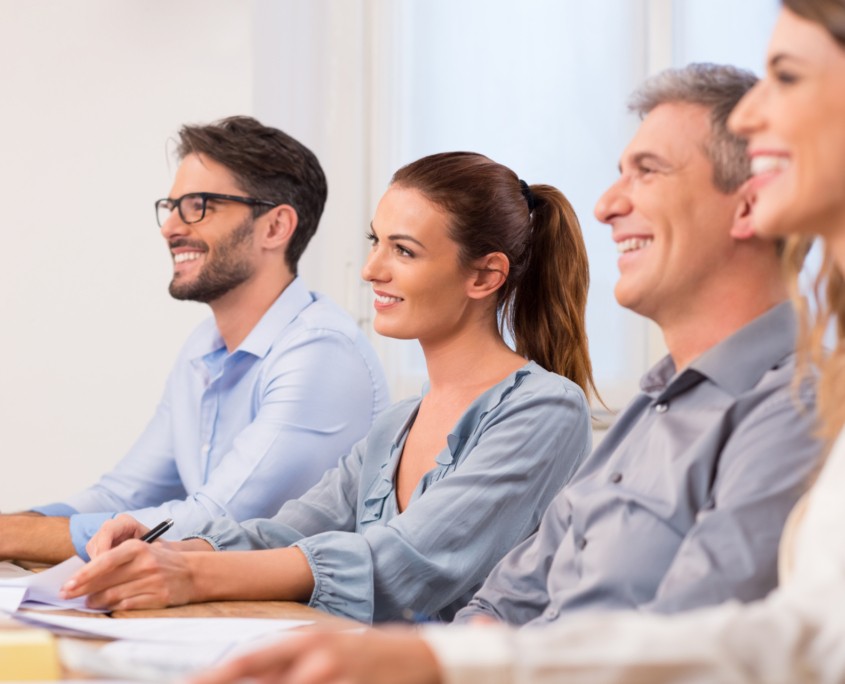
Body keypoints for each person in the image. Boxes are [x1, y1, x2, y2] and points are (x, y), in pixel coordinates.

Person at [190, 4, 845, 683]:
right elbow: (505, 602)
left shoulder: (794, 403)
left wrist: (437, 659)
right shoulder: (651, 410)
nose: (604, 205)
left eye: (647, 170)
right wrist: (181, 552)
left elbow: (708, 644)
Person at [60, 151, 596, 624]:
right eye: (375, 242)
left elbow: (402, 564)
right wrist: (172, 547)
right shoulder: (397, 424)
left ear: (484, 276)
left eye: (404, 251)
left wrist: (190, 574)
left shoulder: (547, 409)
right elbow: (287, 532)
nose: (371, 270)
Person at [0, 116, 390, 564]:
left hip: (304, 607)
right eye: (171, 206)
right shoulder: (203, 347)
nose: (169, 227)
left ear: (275, 227)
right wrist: (15, 526)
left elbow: (215, 522)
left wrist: (13, 536)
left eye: (198, 206)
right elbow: (122, 493)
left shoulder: (322, 352)